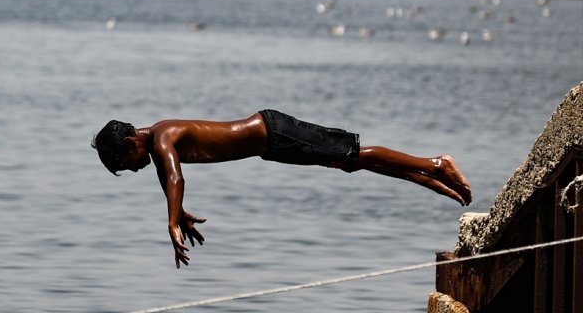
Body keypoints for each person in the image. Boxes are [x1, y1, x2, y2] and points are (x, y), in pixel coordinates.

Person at [91, 109, 472, 269]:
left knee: (353, 154)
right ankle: (428, 178)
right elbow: (166, 177)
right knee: (351, 163)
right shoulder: (157, 148)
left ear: (129, 144)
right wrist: (179, 214)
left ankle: (435, 164)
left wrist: (172, 223)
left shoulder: (162, 138)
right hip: (272, 145)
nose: (135, 168)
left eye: (128, 164)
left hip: (273, 132)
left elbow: (175, 177)